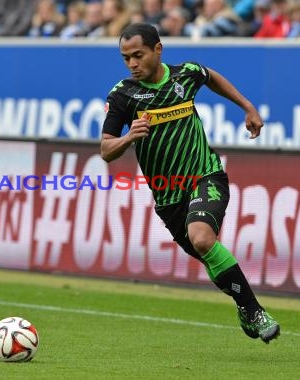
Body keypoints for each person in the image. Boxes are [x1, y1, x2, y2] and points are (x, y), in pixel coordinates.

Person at [100, 23, 280, 344]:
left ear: (158, 50)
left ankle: (254, 310)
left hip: (204, 175)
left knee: (201, 238)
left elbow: (211, 76)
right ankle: (243, 306)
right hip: (168, 198)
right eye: (126, 58)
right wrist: (129, 137)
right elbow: (106, 150)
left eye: (138, 55)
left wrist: (248, 107)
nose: (132, 64)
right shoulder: (123, 95)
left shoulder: (186, 75)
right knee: (208, 253)